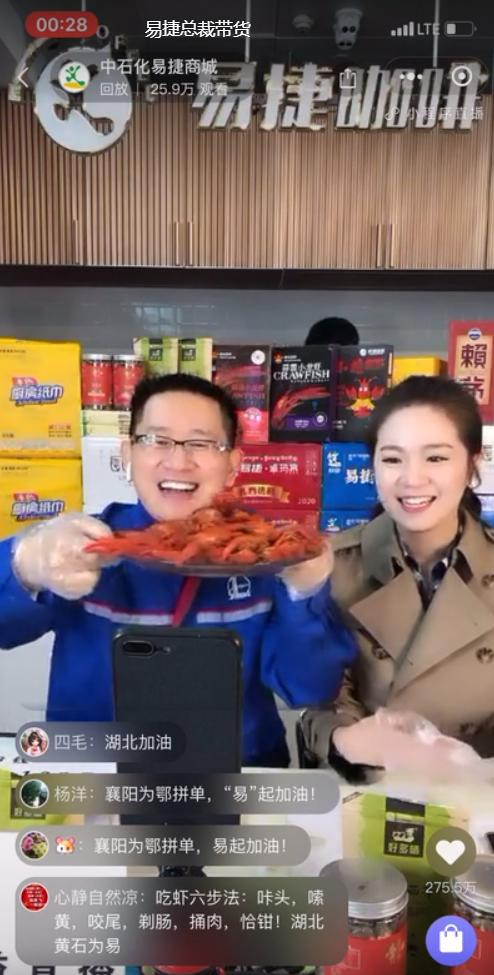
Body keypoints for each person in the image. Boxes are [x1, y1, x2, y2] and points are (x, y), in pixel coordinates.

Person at [0, 373, 356, 769]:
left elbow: (309, 687)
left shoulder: (267, 553)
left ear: (233, 465)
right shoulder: (84, 544)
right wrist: (25, 564)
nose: (178, 461)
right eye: (157, 439)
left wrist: (305, 595)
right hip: (94, 767)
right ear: (127, 454)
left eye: (201, 444)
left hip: (236, 770)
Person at [301, 375, 494, 780]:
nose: (412, 478)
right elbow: (319, 696)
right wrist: (344, 740)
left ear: (472, 465)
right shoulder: (331, 565)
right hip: (369, 790)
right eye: (392, 459)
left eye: (436, 458)